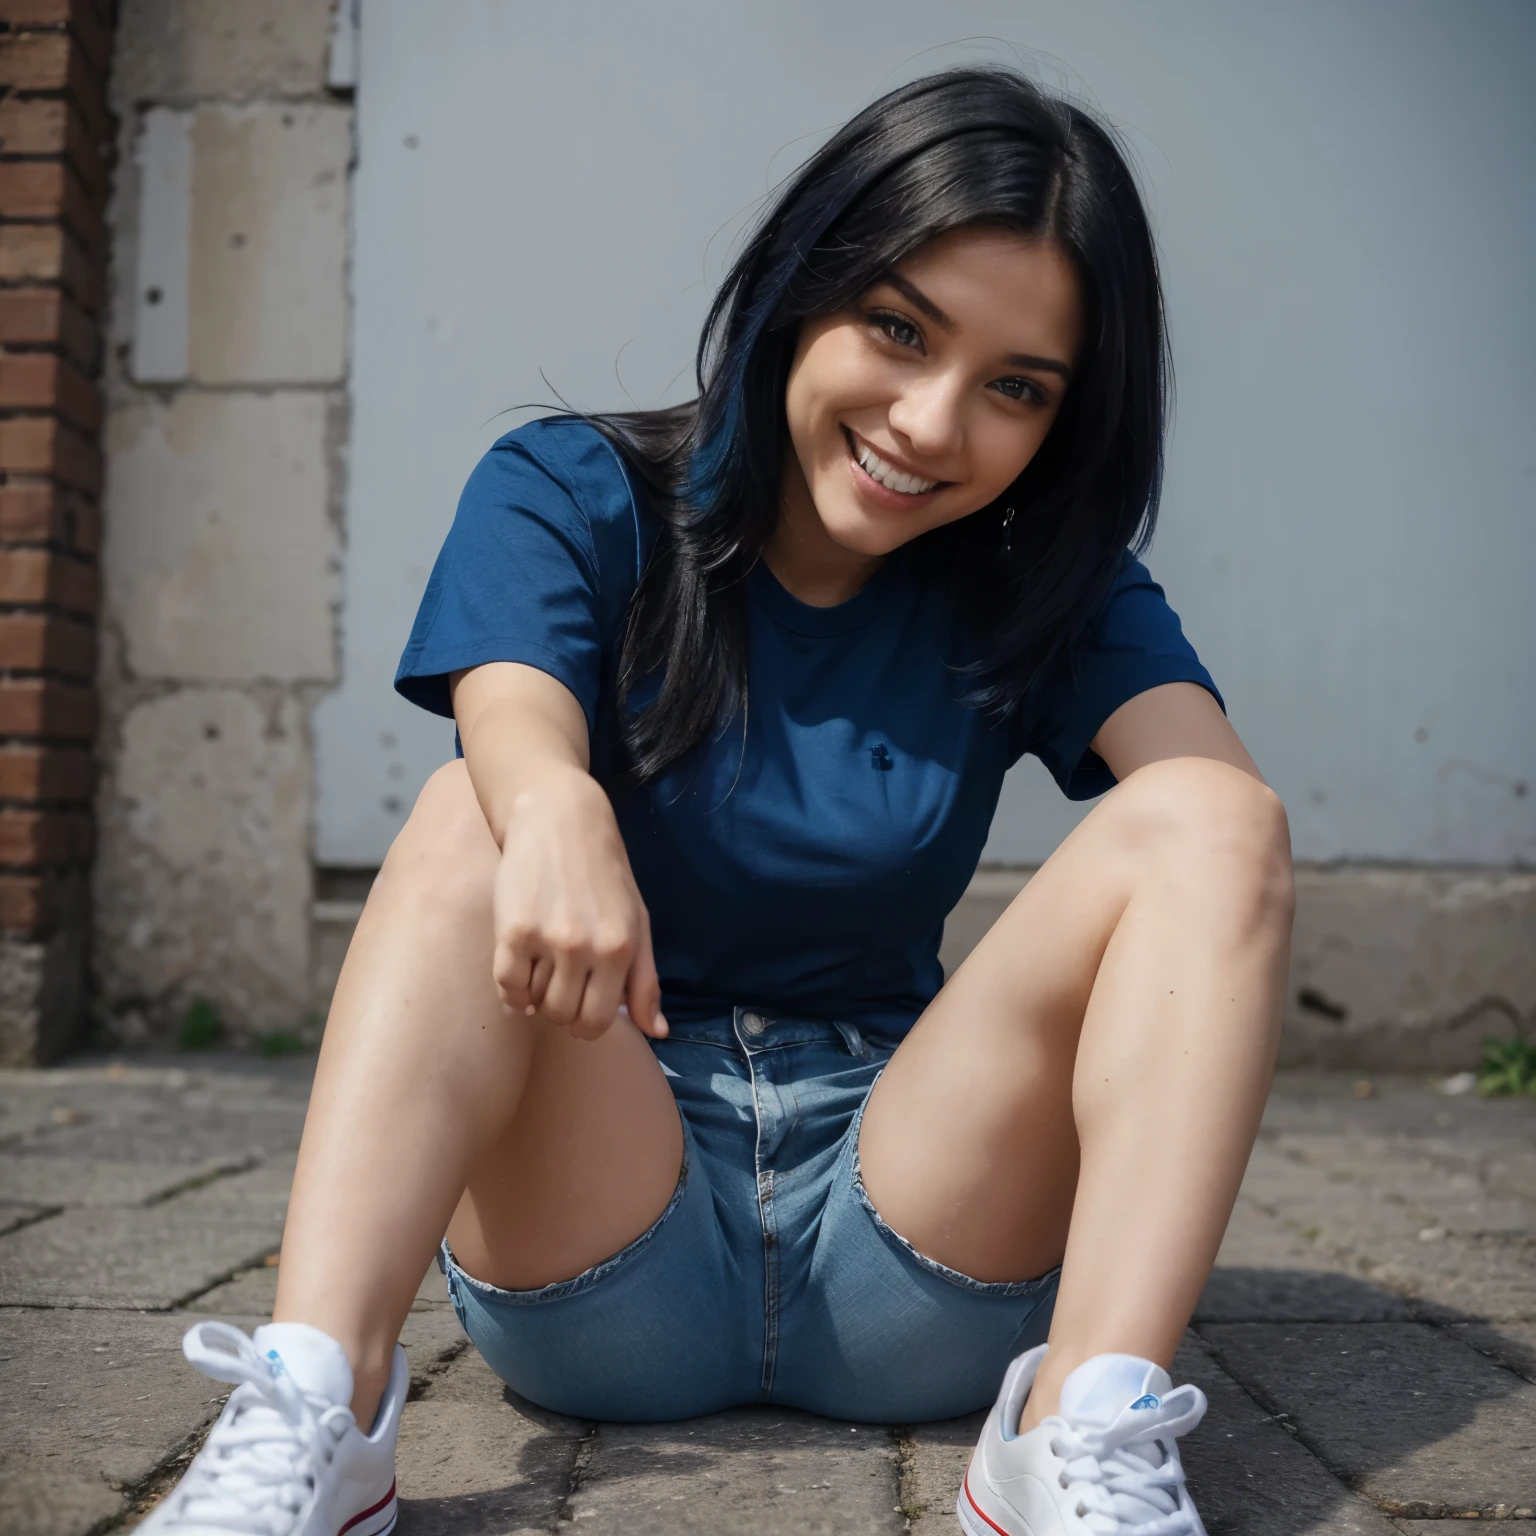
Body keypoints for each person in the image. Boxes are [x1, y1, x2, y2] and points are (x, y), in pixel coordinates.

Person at [140, 67, 1293, 1536]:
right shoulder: (577, 489)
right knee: (477, 810)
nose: (932, 423)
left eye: (1015, 389)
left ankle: (1083, 1423)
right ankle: (318, 1408)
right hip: (602, 1234)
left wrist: (1191, 902)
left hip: (911, 1253)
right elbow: (510, 709)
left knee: (1216, 819)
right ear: (801, 288)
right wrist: (557, 805)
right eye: (898, 328)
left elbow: (1219, 824)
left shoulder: (1042, 590)